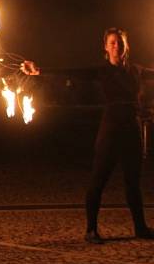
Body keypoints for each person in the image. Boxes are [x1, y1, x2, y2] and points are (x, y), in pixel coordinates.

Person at [22, 27, 154, 243]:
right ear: (106, 47)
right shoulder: (101, 71)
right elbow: (73, 71)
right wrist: (40, 70)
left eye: (120, 42)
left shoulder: (136, 71)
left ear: (126, 46)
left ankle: (140, 227)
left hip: (131, 129)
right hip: (111, 129)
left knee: (133, 182)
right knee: (98, 179)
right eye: (112, 42)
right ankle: (91, 230)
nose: (116, 46)